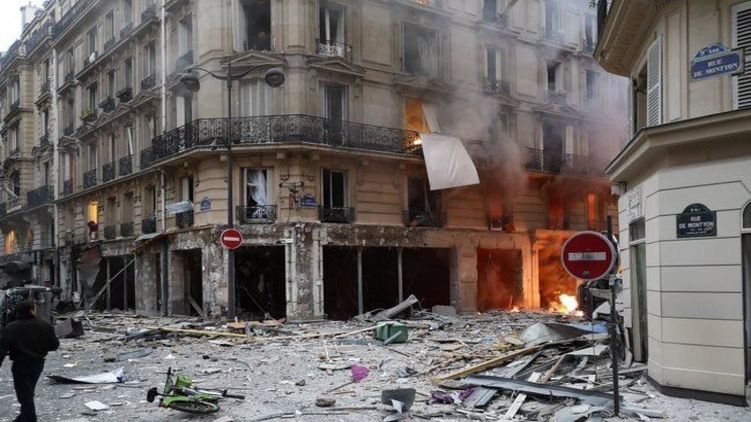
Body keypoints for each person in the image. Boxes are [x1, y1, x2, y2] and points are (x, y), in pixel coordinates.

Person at [0, 300, 60, 422]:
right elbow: (54, 345)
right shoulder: (45, 324)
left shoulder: (12, 328)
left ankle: (30, 418)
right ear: (32, 310)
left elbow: (2, 349)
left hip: (21, 364)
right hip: (38, 363)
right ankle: (23, 417)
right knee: (28, 391)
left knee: (24, 393)